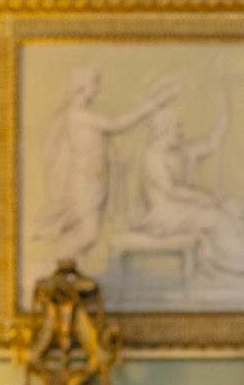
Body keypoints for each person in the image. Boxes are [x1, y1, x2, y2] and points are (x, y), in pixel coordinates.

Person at [32, 66, 182, 265]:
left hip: (96, 183)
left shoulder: (81, 114)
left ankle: (70, 271)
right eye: (94, 84)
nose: (97, 89)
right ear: (83, 87)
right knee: (88, 233)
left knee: (86, 233)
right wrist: (145, 109)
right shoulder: (77, 115)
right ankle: (59, 267)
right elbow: (115, 124)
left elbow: (102, 143)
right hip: (84, 183)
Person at [136, 106, 244, 281]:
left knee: (236, 210)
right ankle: (240, 269)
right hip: (164, 216)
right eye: (177, 127)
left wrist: (223, 121)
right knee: (216, 219)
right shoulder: (153, 156)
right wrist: (204, 198)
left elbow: (211, 144)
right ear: (164, 130)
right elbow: (171, 191)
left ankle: (241, 263)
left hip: (183, 209)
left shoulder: (180, 150)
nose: (180, 132)